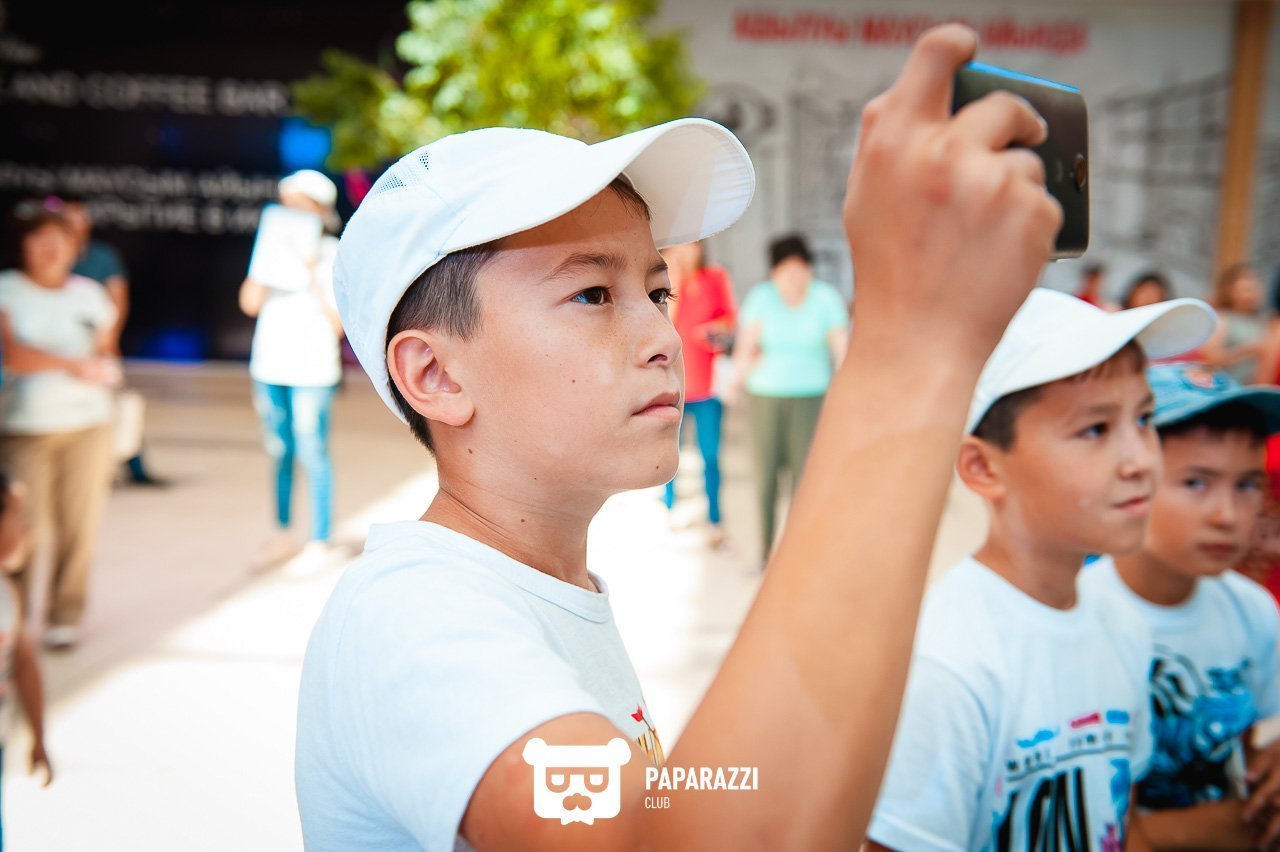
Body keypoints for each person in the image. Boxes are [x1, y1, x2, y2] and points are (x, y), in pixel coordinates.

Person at [296, 24, 1065, 850]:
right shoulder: (413, 617)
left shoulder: (544, 590)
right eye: (593, 295)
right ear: (436, 375)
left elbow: (694, 803)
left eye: (657, 292)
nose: (664, 336)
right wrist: (911, 346)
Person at [867, 289, 1216, 850]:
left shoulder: (1122, 624)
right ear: (983, 467)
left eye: (1145, 418)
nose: (1142, 459)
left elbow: (1120, 822)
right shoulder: (947, 666)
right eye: (1095, 429)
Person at [1081, 362, 1280, 848]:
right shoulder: (1081, 615)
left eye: (1247, 485)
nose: (1227, 515)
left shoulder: (1252, 611)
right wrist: (1234, 826)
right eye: (1195, 483)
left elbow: (1258, 743)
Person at [0, 198, 120, 650]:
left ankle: (65, 615)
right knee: (21, 530)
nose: (51, 249)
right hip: (25, 427)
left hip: (89, 424)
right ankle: (13, 619)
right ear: (24, 245)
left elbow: (105, 349)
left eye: (61, 241)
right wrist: (74, 365)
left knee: (79, 526)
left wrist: (104, 368)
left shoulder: (90, 294)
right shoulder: (7, 289)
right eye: (41, 240)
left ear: (75, 248)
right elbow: (13, 355)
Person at [238, 170, 344, 571]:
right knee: (279, 449)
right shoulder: (271, 249)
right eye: (288, 205)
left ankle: (321, 538)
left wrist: (311, 267)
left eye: (302, 206)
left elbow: (338, 325)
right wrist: (266, 261)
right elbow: (249, 303)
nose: (292, 213)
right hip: (269, 363)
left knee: (312, 448)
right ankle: (282, 532)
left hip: (312, 367)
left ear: (321, 211)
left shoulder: (334, 253)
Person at [732, 234, 849, 560]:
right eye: (786, 271)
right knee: (765, 478)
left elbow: (841, 349)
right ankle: (765, 553)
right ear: (774, 273)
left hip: (812, 398)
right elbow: (745, 346)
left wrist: (843, 393)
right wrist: (733, 381)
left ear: (810, 269)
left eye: (800, 269)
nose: (794, 278)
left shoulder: (826, 299)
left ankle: (800, 556)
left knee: (806, 480)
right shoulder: (761, 297)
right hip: (765, 397)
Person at [61, 197, 166, 487]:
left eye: (79, 218)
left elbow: (118, 298)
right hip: (60, 348)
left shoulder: (101, 257)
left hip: (97, 344)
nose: (75, 224)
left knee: (114, 404)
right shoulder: (54, 257)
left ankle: (134, 464)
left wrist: (109, 340)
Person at [658, 240, 736, 548]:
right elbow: (663, 323)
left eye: (692, 245)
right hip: (672, 386)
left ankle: (715, 519)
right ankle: (669, 510)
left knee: (711, 456)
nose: (687, 252)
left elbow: (730, 320)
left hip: (707, 387)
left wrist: (712, 330)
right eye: (681, 246)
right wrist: (674, 281)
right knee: (668, 455)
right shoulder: (663, 280)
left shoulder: (715, 277)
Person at [0, 472, 53, 846]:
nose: (26, 530)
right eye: (16, 517)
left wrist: (38, 735)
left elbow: (23, 662)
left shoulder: (7, 592)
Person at [1203, 263, 1268, 385]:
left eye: (1254, 289)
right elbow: (1210, 358)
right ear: (1230, 292)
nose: (1250, 295)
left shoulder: (1259, 322)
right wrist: (1248, 349)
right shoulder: (1223, 319)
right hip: (1227, 387)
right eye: (1245, 290)